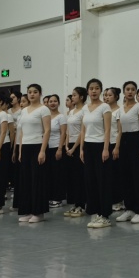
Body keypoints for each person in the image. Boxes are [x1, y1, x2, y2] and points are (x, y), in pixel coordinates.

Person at [79, 78, 112, 229]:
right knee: (90, 181)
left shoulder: (105, 107)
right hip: (88, 146)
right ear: (88, 91)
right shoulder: (85, 108)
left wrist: (106, 149)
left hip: (100, 146)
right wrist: (81, 148)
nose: (94, 91)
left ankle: (105, 215)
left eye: (97, 88)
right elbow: (83, 129)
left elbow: (108, 129)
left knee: (102, 181)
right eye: (91, 88)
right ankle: (94, 212)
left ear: (100, 90)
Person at [17, 84, 51, 223]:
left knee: (37, 179)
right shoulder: (24, 110)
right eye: (29, 92)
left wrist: (42, 150)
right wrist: (20, 151)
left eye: (35, 92)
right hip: (25, 147)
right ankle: (28, 210)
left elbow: (47, 130)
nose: (32, 94)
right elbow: (22, 132)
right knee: (26, 180)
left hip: (38, 146)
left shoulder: (44, 109)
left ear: (40, 94)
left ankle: (38, 212)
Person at [115, 81, 139, 224]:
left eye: (132, 89)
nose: (130, 91)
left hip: (136, 140)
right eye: (127, 89)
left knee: (138, 178)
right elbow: (119, 131)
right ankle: (129, 209)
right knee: (125, 177)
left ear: (135, 92)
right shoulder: (120, 109)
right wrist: (116, 147)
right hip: (123, 142)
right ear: (123, 91)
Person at [63, 88, 87, 218]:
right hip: (69, 146)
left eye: (74, 95)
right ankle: (75, 204)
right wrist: (67, 145)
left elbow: (82, 131)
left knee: (79, 176)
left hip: (79, 146)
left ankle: (81, 205)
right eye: (72, 95)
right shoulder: (71, 112)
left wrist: (74, 148)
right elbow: (68, 130)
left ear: (81, 97)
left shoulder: (84, 111)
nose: (72, 97)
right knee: (71, 176)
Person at [46, 94, 67, 208]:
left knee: (57, 174)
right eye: (50, 101)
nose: (52, 103)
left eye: (55, 101)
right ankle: (50, 196)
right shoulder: (46, 117)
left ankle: (58, 198)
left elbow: (63, 133)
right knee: (48, 173)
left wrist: (59, 149)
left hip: (57, 147)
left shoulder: (61, 117)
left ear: (58, 103)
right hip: (46, 148)